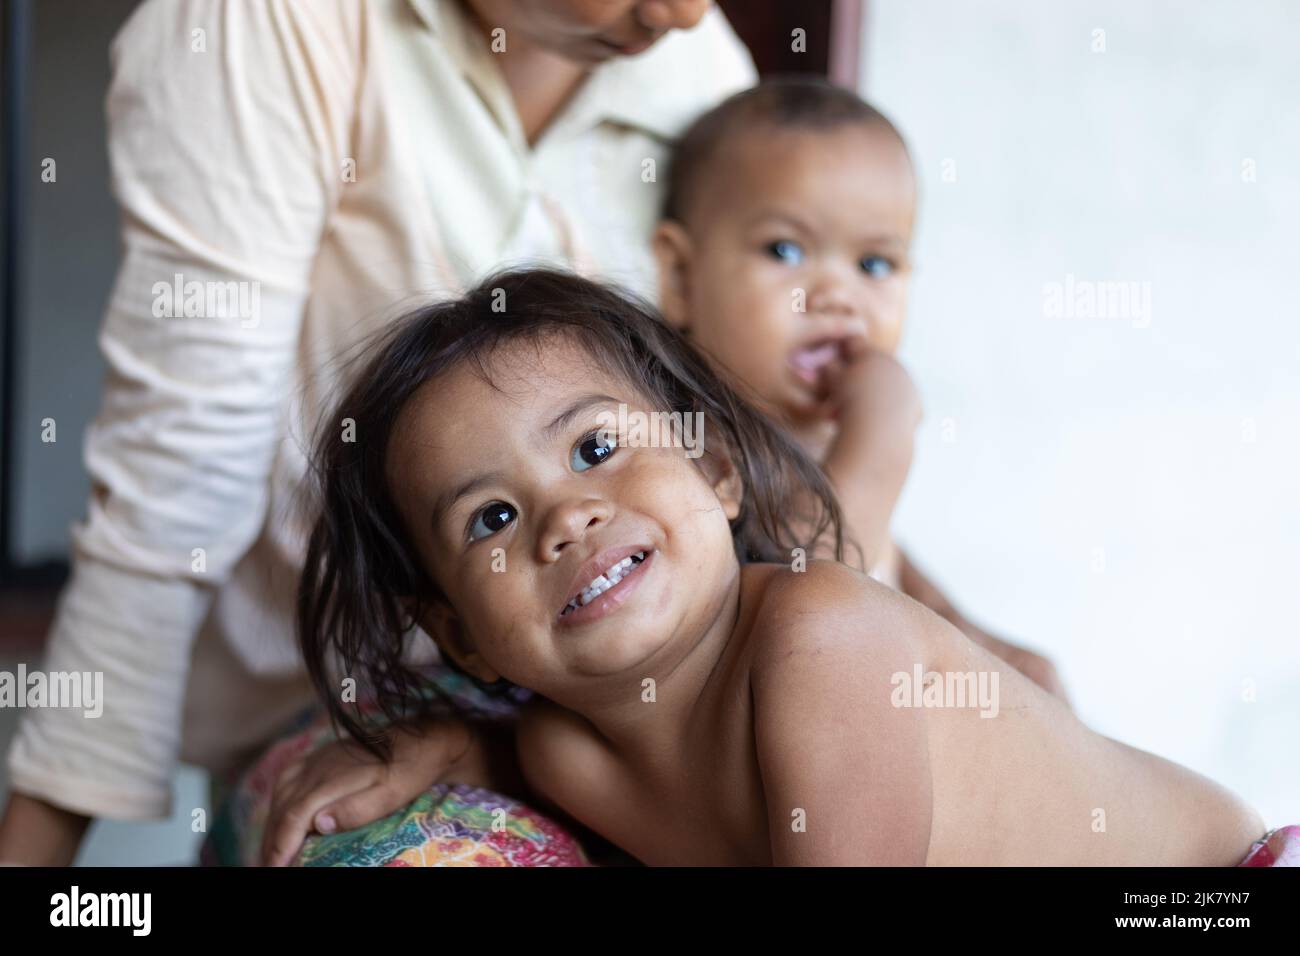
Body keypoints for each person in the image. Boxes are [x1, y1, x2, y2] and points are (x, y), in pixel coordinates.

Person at [0, 0, 755, 866]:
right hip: (344, 700)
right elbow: (179, 464)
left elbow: (761, 416)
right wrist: (41, 841)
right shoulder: (262, 22)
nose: (685, 12)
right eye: (492, 516)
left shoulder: (699, 69)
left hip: (637, 707)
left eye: (593, 448)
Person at [293, 267, 1286, 865]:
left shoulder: (821, 633)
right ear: (462, 630)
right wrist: (453, 747)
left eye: (594, 447)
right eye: (493, 516)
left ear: (717, 469)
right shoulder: (565, 755)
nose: (567, 514)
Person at [652, 78, 1066, 693]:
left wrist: (982, 644)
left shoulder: (826, 431)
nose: (837, 297)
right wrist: (884, 436)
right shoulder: (693, 436)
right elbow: (809, 591)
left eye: (875, 264)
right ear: (682, 276)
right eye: (786, 250)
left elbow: (891, 569)